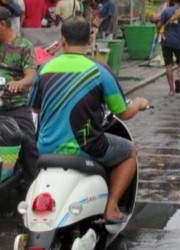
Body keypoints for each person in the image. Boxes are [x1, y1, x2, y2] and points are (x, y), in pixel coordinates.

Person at [28, 16, 150, 223]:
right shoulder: (99, 71)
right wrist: (138, 103)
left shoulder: (44, 69)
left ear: (62, 41)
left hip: (46, 147)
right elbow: (122, 113)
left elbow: (35, 107)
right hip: (85, 147)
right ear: (91, 39)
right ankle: (111, 208)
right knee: (130, 151)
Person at [0, 7, 39, 184]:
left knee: (28, 146)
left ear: (3, 24)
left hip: (15, 107)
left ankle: (36, 189)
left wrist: (19, 83)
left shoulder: (24, 46)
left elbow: (31, 76)